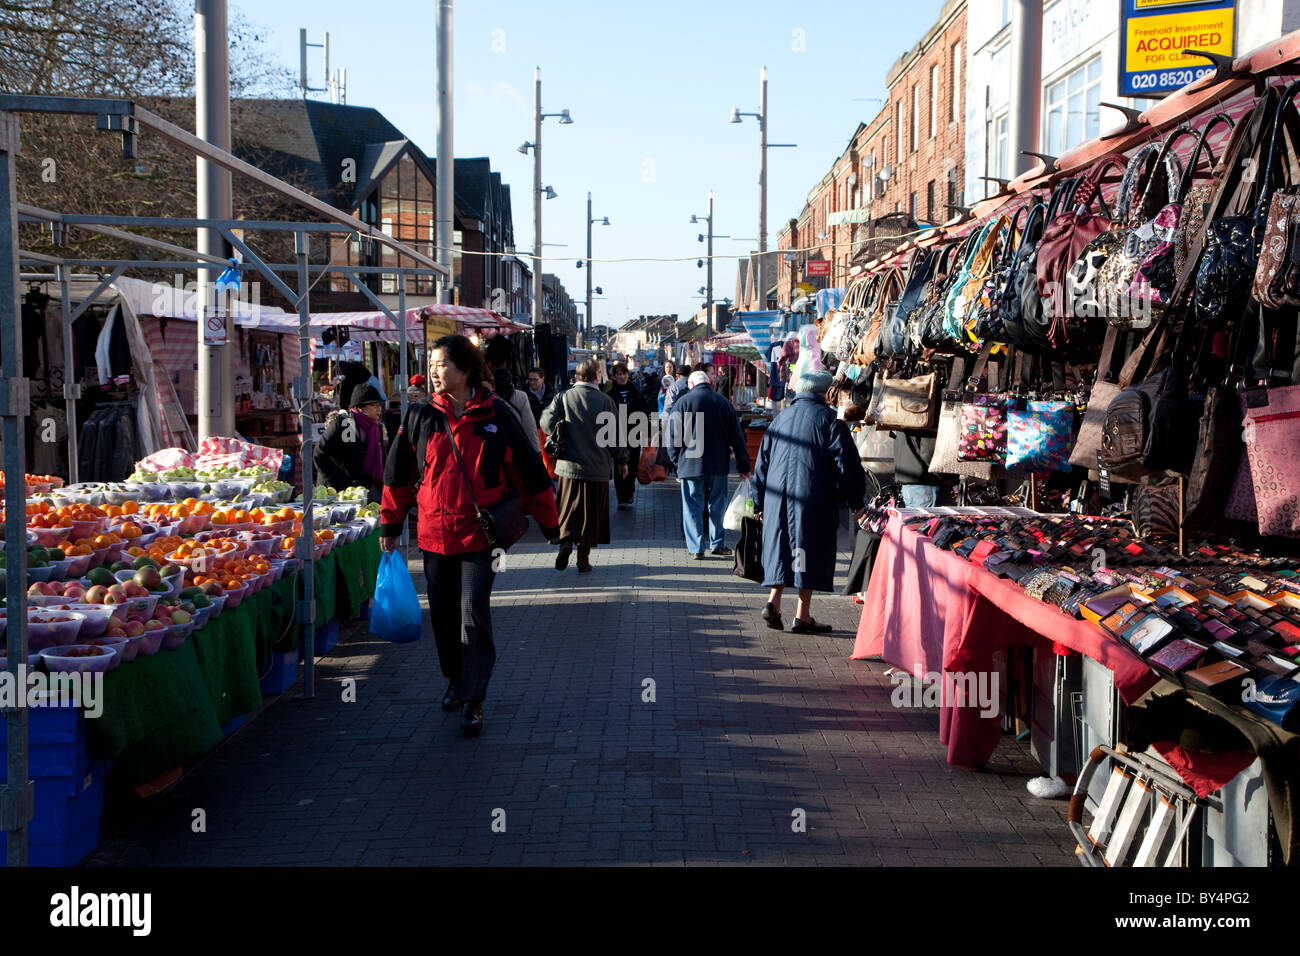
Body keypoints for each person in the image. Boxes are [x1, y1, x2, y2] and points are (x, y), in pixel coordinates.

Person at [380, 335, 559, 737]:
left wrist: (550, 524)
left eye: (441, 364)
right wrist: (390, 525)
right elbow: (397, 474)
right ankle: (455, 681)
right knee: (442, 617)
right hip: (433, 534)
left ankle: (475, 699)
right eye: (431, 363)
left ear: (464, 369)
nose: (434, 371)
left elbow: (530, 472)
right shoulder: (420, 415)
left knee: (472, 612)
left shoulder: (496, 413)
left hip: (481, 537)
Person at [752, 369, 866, 633]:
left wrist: (757, 502)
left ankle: (773, 602)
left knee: (782, 546)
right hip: (813, 497)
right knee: (807, 550)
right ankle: (802, 615)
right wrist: (856, 499)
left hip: (777, 497)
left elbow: (762, 465)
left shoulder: (780, 419)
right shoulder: (829, 420)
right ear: (825, 393)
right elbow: (846, 464)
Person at [540, 358, 628, 572]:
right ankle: (583, 559)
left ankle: (565, 542)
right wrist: (622, 461)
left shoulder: (563, 397)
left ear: (577, 376)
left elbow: (546, 423)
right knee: (591, 516)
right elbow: (615, 436)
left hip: (568, 467)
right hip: (597, 468)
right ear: (596, 375)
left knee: (568, 509)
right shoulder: (606, 401)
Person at [667, 369, 751, 560]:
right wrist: (743, 466)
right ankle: (717, 543)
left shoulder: (682, 403)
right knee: (717, 504)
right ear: (709, 382)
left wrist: (675, 461)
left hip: (690, 464)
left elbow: (673, 436)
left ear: (691, 384)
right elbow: (737, 438)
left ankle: (696, 547)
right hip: (718, 464)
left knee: (692, 505)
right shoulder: (723, 403)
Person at [314, 384, 386, 501]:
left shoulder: (376, 428)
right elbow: (319, 453)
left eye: (380, 405)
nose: (379, 409)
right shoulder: (346, 423)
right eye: (374, 405)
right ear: (360, 407)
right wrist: (335, 484)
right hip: (334, 491)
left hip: (361, 490)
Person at [603, 362, 648, 509]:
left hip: (633, 434)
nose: (622, 377)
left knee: (632, 463)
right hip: (616, 434)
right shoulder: (609, 396)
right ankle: (621, 497)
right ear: (614, 377)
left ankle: (630, 491)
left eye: (624, 374)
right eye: (619, 374)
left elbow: (645, 413)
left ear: (628, 375)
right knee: (618, 465)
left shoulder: (637, 393)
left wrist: (649, 433)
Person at [490, 361, 542, 456]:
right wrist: (536, 451)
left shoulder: (488, 398)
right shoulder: (521, 396)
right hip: (516, 446)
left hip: (496, 447)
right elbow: (529, 426)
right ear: (511, 380)